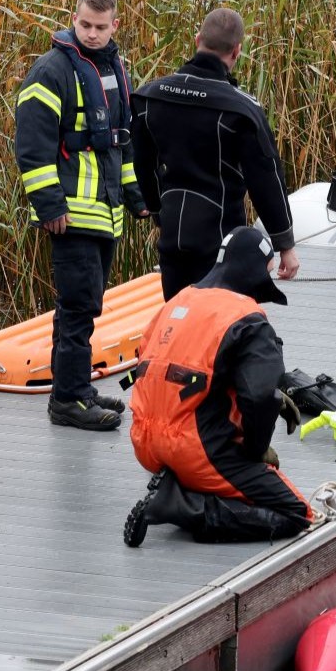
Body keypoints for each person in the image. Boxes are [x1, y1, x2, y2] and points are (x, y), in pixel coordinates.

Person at [122, 227, 313, 546]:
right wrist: (255, 452)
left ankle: (178, 481)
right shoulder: (248, 318)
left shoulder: (176, 302)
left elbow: (164, 372)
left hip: (145, 442)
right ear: (254, 270)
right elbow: (260, 397)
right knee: (296, 513)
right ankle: (181, 505)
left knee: (208, 447)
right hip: (196, 449)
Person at [14, 0, 149, 431]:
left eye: (100, 27)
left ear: (115, 25)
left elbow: (118, 142)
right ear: (73, 19)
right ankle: (67, 400)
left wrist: (136, 199)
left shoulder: (112, 68)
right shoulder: (51, 71)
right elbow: (32, 148)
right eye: (84, 25)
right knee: (75, 307)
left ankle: (78, 389)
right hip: (70, 215)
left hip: (104, 211)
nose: (91, 34)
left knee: (87, 305)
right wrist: (50, 205)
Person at [131, 8, 300, 300]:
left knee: (179, 320)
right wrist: (284, 244)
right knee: (216, 327)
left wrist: (159, 211)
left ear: (197, 39)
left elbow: (143, 165)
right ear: (237, 52)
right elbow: (266, 178)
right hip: (219, 240)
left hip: (173, 233)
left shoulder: (150, 97)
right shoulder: (242, 110)